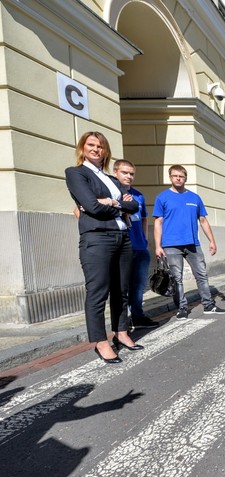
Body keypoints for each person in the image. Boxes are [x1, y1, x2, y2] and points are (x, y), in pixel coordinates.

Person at [65, 131, 144, 364]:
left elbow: (134, 206)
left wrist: (111, 202)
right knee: (98, 291)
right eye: (91, 145)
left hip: (123, 237)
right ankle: (101, 341)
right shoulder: (76, 173)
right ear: (82, 147)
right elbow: (91, 206)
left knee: (121, 290)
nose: (96, 149)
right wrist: (118, 205)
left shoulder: (113, 179)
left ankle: (121, 333)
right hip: (97, 238)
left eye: (100, 146)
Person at [153, 165, 225, 320]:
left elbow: (203, 220)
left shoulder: (194, 197)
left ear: (186, 178)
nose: (178, 178)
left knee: (201, 275)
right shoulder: (162, 197)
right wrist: (158, 245)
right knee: (176, 278)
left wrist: (212, 241)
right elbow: (158, 222)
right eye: (175, 176)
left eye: (181, 176)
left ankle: (208, 305)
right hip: (171, 244)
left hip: (193, 244)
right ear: (170, 177)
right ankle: (182, 308)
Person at [112, 160, 158, 329]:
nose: (129, 176)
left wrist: (145, 239)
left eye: (132, 173)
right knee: (121, 287)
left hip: (140, 247)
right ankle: (121, 323)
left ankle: (138, 317)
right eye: (125, 172)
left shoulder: (139, 195)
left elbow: (144, 217)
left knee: (138, 286)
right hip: (121, 247)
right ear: (115, 172)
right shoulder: (110, 193)